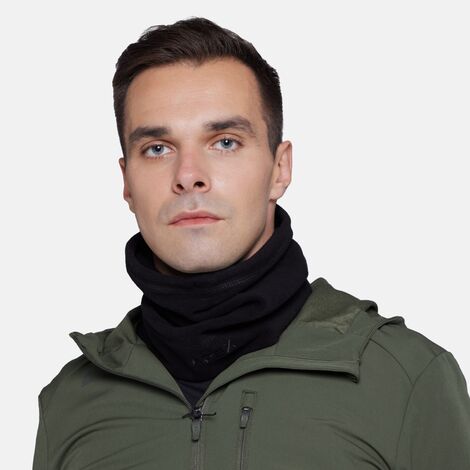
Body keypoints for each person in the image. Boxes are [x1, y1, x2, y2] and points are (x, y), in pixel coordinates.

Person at [32, 16, 470, 470]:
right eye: (157, 148)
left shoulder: (404, 379)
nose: (188, 176)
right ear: (127, 182)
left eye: (224, 142)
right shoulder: (70, 401)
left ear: (280, 169)